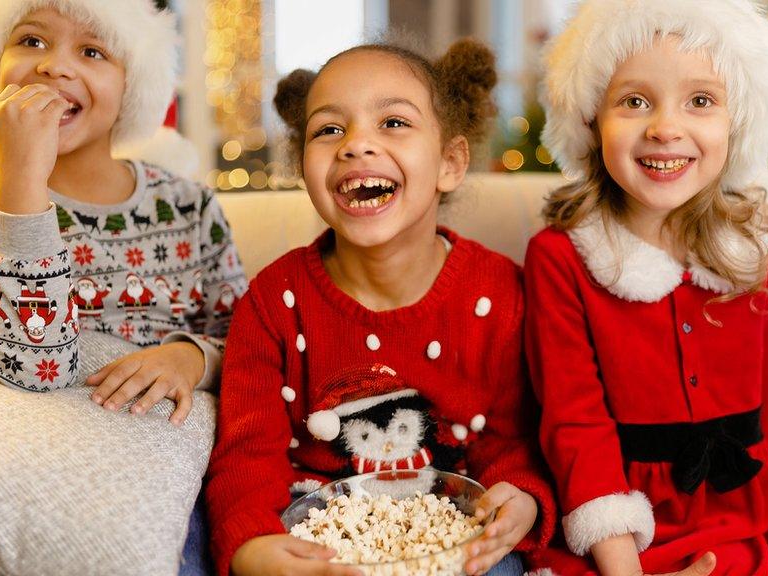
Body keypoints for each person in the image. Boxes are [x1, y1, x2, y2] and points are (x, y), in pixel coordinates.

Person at [207, 38, 555, 576]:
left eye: (392, 123)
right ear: (304, 170)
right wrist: (251, 544)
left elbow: (515, 441)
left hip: (462, 540)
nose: (355, 145)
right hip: (319, 544)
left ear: (450, 163)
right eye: (329, 130)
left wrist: (523, 498)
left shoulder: (500, 297)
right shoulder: (275, 304)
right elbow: (246, 457)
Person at [522, 0, 768, 574]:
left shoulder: (762, 254)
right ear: (592, 121)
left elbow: (764, 412)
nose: (665, 128)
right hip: (613, 530)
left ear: (737, 121)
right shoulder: (560, 258)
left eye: (700, 101)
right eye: (635, 101)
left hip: (732, 521)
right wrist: (623, 566)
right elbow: (574, 425)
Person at [0, 0, 244, 425]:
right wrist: (24, 176)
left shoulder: (189, 207)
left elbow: (252, 344)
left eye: (92, 51)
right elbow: (32, 366)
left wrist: (192, 357)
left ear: (132, 85)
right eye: (31, 40)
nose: (55, 67)